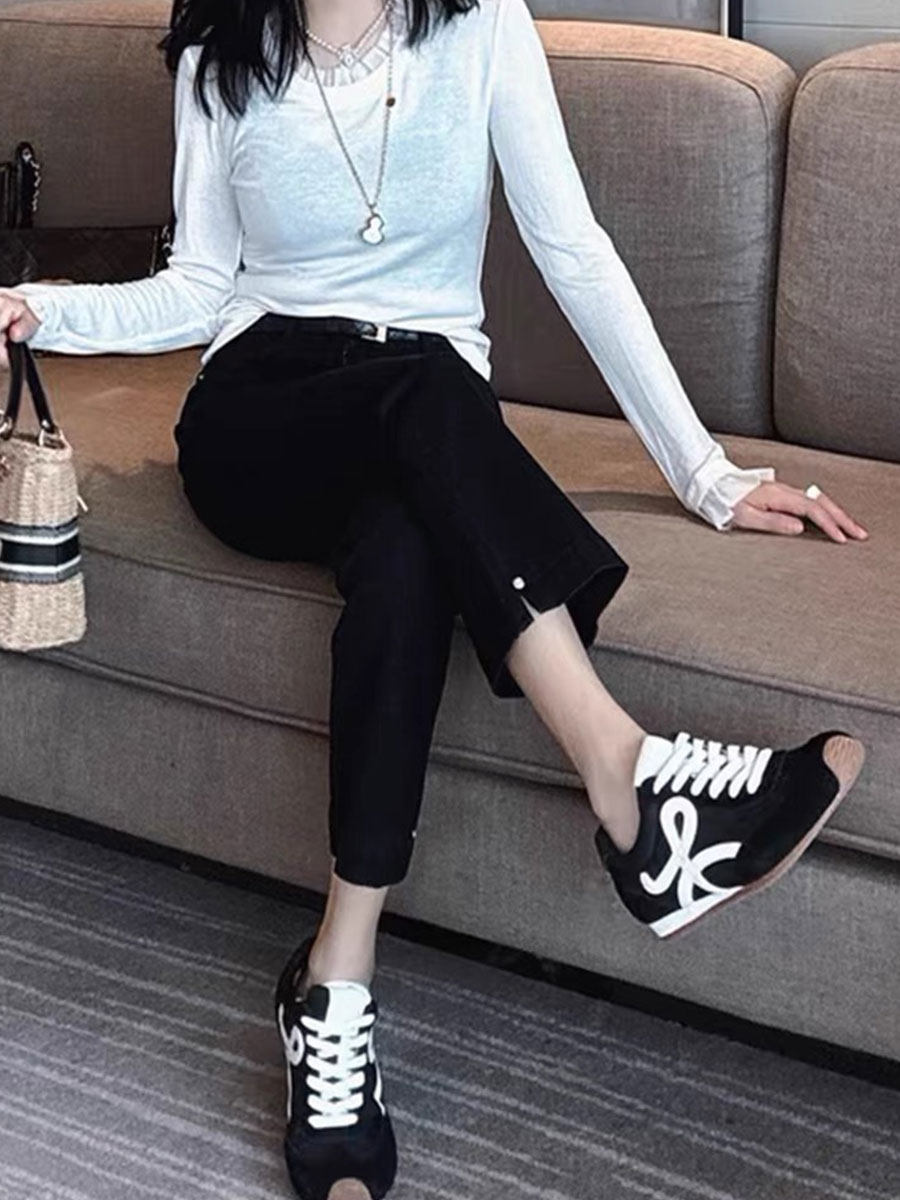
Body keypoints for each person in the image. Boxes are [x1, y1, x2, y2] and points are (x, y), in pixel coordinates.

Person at [0, 1, 869, 1197]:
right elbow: (197, 287)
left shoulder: (481, 26)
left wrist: (708, 475)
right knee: (425, 386)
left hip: (421, 418)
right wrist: (45, 308)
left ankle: (335, 980)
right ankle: (627, 778)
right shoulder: (222, 48)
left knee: (410, 537)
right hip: (263, 417)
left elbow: (572, 248)